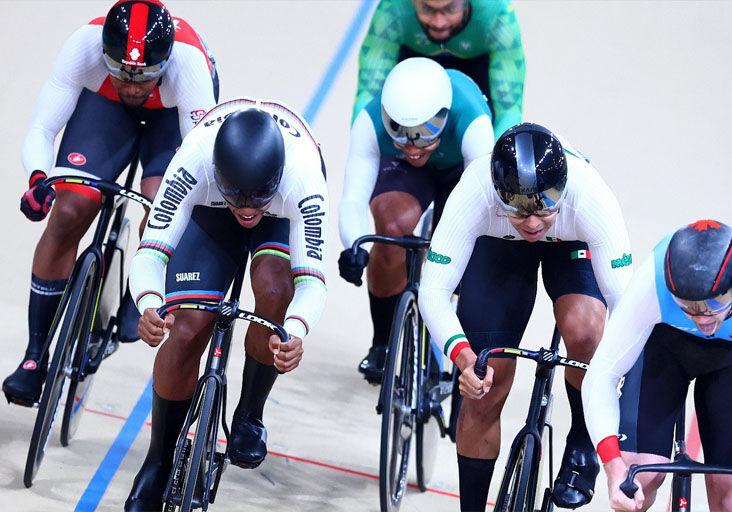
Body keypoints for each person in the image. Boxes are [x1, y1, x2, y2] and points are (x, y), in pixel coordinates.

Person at [2, 0, 218, 406]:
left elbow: (197, 165)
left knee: (161, 208)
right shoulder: (83, 46)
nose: (133, 86)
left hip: (171, 116)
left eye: (144, 76)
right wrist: (38, 180)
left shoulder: (189, 68)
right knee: (68, 211)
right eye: (122, 71)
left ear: (165, 62)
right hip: (106, 107)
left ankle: (139, 284)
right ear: (105, 55)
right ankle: (34, 356)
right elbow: (43, 128)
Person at [125, 99, 328, 511]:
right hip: (208, 210)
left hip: (281, 217)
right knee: (186, 329)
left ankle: (249, 413)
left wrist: (297, 332)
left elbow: (313, 282)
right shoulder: (194, 161)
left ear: (277, 179)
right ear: (218, 174)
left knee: (274, 291)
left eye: (258, 198)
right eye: (239, 196)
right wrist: (149, 304)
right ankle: (159, 460)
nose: (249, 208)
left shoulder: (303, 178)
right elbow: (150, 253)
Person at [418, 122, 634, 511]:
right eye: (518, 207)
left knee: (586, 333)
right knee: (485, 382)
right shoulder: (475, 190)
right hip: (498, 246)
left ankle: (581, 446)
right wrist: (463, 357)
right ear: (498, 192)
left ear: (563, 190)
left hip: (570, 244)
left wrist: (616, 375)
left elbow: (628, 309)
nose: (533, 222)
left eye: (544, 206)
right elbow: (432, 291)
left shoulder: (590, 196)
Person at [338, 57, 494, 384]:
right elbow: (353, 197)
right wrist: (355, 244)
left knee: (460, 252)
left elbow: (482, 204)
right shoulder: (369, 120)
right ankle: (382, 343)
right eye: (399, 131)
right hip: (405, 174)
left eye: (427, 131)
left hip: (459, 172)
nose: (413, 144)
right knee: (390, 233)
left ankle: (439, 339)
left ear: (446, 116)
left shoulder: (473, 121)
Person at [583, 220, 732, 512]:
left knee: (728, 493)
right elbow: (601, 374)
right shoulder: (652, 281)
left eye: (714, 304)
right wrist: (614, 468)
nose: (702, 318)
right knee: (638, 478)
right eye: (688, 305)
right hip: (665, 348)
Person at [353, 0, 525, 139]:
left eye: (450, 8)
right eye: (426, 8)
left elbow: (508, 112)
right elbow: (368, 98)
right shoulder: (392, 9)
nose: (439, 22)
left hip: (476, 73)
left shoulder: (496, 14)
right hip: (413, 75)